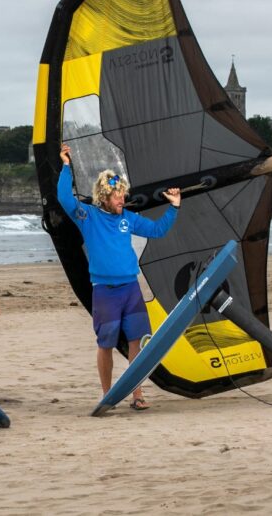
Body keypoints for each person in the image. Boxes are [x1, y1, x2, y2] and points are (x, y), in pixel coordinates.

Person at [57, 145, 181, 411]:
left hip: (130, 289)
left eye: (123, 194)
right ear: (104, 197)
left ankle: (137, 394)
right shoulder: (87, 216)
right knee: (106, 344)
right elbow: (64, 199)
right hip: (105, 291)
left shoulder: (128, 218)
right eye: (117, 196)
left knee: (137, 341)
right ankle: (107, 395)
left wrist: (173, 208)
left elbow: (157, 230)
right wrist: (66, 166)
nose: (122, 199)